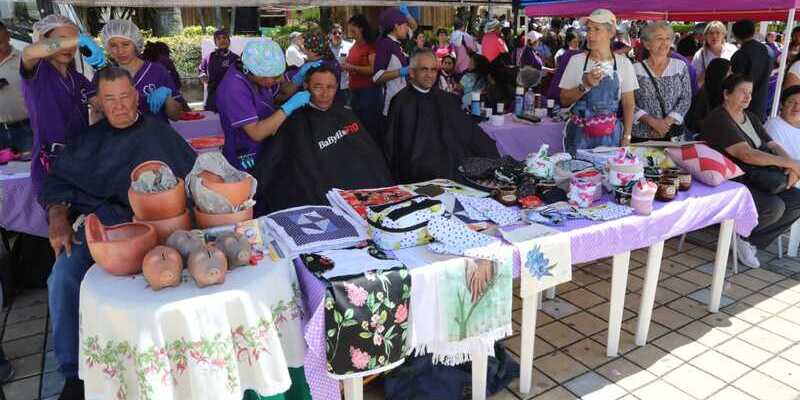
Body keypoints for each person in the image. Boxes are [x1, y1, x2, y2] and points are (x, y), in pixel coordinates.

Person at [39, 67, 196, 400]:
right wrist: (57, 217)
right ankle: (73, 373)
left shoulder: (159, 133)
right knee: (63, 276)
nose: (120, 105)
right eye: (110, 99)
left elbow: (193, 177)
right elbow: (56, 185)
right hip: (105, 227)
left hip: (159, 227)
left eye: (125, 96)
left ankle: (182, 361)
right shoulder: (87, 141)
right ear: (98, 102)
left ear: (136, 96)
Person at [252, 65, 393, 213]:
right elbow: (274, 163)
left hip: (361, 195)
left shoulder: (345, 113)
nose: (325, 94)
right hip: (321, 197)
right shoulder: (295, 121)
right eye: (318, 87)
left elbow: (371, 157)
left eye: (330, 87)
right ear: (306, 86)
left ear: (337, 87)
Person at [701, 74, 800, 267]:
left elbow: (773, 144)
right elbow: (746, 154)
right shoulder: (720, 118)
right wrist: (792, 164)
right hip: (732, 179)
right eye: (742, 92)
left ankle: (748, 240)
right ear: (726, 94)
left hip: (757, 176)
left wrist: (791, 165)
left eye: (750, 93)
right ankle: (739, 235)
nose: (747, 97)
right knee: (774, 207)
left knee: (797, 200)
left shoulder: (750, 117)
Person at [383, 49, 499, 183]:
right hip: (417, 169)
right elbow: (394, 146)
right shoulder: (400, 102)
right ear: (412, 72)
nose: (429, 75)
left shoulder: (444, 98)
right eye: (424, 69)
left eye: (433, 70)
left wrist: (489, 149)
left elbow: (467, 130)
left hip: (448, 161)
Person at [20, 15, 102, 196]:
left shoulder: (78, 79)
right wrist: (78, 38)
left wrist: (106, 70)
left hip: (81, 160)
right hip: (50, 164)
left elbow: (101, 105)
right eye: (62, 40)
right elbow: (28, 53)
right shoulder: (37, 72)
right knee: (59, 216)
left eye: (73, 41)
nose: (70, 46)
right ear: (43, 40)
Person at [216, 39, 314, 172]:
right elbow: (256, 133)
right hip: (246, 156)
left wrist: (299, 77)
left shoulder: (255, 76)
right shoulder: (234, 88)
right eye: (275, 77)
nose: (279, 79)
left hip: (268, 149)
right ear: (257, 73)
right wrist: (288, 107)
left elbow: (284, 92)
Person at [559, 9, 638, 154]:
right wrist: (585, 85)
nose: (590, 34)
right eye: (588, 29)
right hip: (578, 137)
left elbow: (628, 103)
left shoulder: (624, 64)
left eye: (597, 29)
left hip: (610, 137)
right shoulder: (577, 61)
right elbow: (564, 99)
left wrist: (627, 136)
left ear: (611, 33)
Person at [100, 20, 183, 121]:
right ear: (107, 47)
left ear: (135, 44)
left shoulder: (157, 71)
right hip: (119, 136)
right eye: (113, 45)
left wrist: (168, 99)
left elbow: (176, 116)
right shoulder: (103, 76)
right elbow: (98, 112)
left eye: (125, 44)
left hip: (157, 134)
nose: (120, 51)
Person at [632, 21, 692, 142]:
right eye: (659, 39)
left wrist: (666, 123)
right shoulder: (634, 69)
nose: (664, 43)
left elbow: (686, 98)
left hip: (673, 133)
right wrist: (653, 122)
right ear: (647, 44)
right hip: (642, 135)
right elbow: (629, 103)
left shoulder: (680, 66)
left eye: (668, 39)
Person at [343, 14, 381, 144]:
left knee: (369, 127)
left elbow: (373, 69)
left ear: (362, 29)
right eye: (350, 31)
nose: (351, 34)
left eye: (354, 30)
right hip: (354, 91)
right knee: (357, 126)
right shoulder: (354, 46)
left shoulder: (370, 47)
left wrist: (352, 67)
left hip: (368, 92)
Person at [374, 6, 416, 118]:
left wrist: (406, 14)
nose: (408, 28)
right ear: (396, 26)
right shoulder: (385, 44)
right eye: (405, 25)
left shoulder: (397, 42)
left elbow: (414, 27)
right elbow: (377, 77)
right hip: (391, 105)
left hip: (403, 102)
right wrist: (401, 72)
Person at [731, 20, 772, 122]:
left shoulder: (740, 55)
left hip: (744, 106)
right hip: (762, 102)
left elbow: (736, 82)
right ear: (753, 32)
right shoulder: (766, 49)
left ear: (735, 35)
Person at [0, 21, 32, 154]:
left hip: (25, 129)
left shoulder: (25, 59)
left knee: (29, 170)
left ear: (8, 36)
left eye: (0, 42)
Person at [685, 58, 731, 135]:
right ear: (720, 73)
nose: (731, 74)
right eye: (729, 72)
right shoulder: (702, 96)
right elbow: (693, 123)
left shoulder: (722, 92)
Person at [198, 29, 239, 112]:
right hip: (213, 95)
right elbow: (201, 70)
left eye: (224, 38)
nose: (222, 40)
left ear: (229, 41)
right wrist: (202, 76)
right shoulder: (209, 57)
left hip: (230, 96)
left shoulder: (235, 58)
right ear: (215, 42)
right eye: (218, 39)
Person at [692, 21, 738, 87]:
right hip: (710, 93)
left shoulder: (732, 50)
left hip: (730, 90)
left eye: (718, 33)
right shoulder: (700, 55)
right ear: (706, 36)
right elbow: (695, 80)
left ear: (723, 35)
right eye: (711, 33)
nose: (714, 36)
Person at [765, 85, 800, 159]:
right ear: (781, 105)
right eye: (791, 102)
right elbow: (779, 159)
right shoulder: (774, 126)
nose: (797, 107)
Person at [329, 23, 352, 104]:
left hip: (345, 86)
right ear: (330, 35)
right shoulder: (326, 48)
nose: (337, 35)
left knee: (347, 112)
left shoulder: (350, 46)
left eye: (340, 33)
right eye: (334, 33)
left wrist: (347, 66)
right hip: (330, 87)